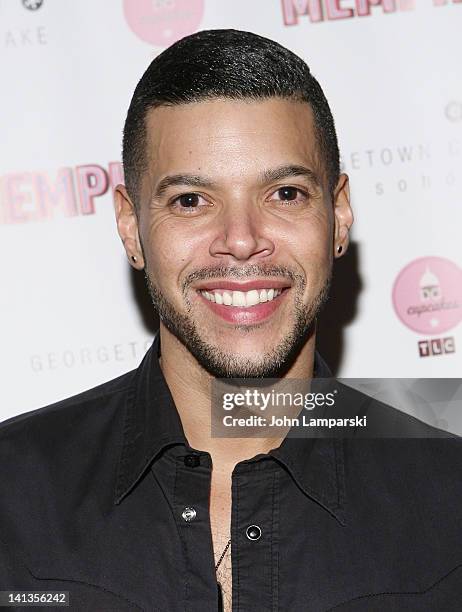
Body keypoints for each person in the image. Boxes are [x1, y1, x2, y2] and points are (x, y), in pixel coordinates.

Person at [0, 28, 461, 612]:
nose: (241, 243)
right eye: (191, 200)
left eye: (285, 194)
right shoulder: (13, 497)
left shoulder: (450, 501)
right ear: (129, 225)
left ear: (339, 215)